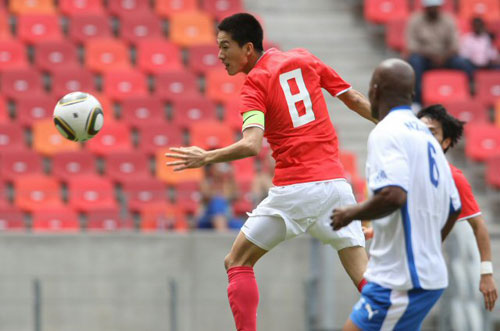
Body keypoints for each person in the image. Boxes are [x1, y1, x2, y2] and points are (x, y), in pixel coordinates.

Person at [166, 12, 375, 331]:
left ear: (248, 48)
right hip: (336, 188)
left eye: (225, 46)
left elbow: (251, 145)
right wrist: (398, 123)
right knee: (371, 286)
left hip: (296, 190)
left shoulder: (254, 86)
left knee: (236, 261)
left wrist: (205, 158)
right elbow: (355, 99)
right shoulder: (305, 59)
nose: (220, 55)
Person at [331, 58, 462, 331]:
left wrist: (350, 213)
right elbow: (454, 206)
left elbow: (394, 196)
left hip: (400, 281)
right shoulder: (427, 137)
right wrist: (429, 247)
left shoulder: (386, 131)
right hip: (422, 275)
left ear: (375, 91)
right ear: (411, 95)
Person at [417, 104, 498, 311]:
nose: (424, 135)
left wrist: (486, 273)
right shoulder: (400, 169)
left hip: (423, 270)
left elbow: (479, 225)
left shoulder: (453, 178)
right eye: (420, 129)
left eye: (432, 132)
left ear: (446, 142)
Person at [407, 0, 475, 104]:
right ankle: (417, 101)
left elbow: (455, 44)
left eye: (435, 7)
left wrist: (443, 57)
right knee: (414, 61)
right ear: (425, 8)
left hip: (446, 57)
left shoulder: (448, 20)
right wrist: (432, 56)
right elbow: (412, 46)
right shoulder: (415, 20)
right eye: (431, 7)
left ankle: (471, 97)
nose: (433, 9)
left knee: (464, 63)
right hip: (424, 57)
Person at [197, 163, 243, 231]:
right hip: (208, 218)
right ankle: (222, 233)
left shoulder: (228, 183)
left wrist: (231, 176)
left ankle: (222, 230)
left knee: (242, 226)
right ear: (212, 169)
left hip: (227, 217)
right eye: (218, 167)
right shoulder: (206, 182)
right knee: (217, 202)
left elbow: (237, 196)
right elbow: (206, 196)